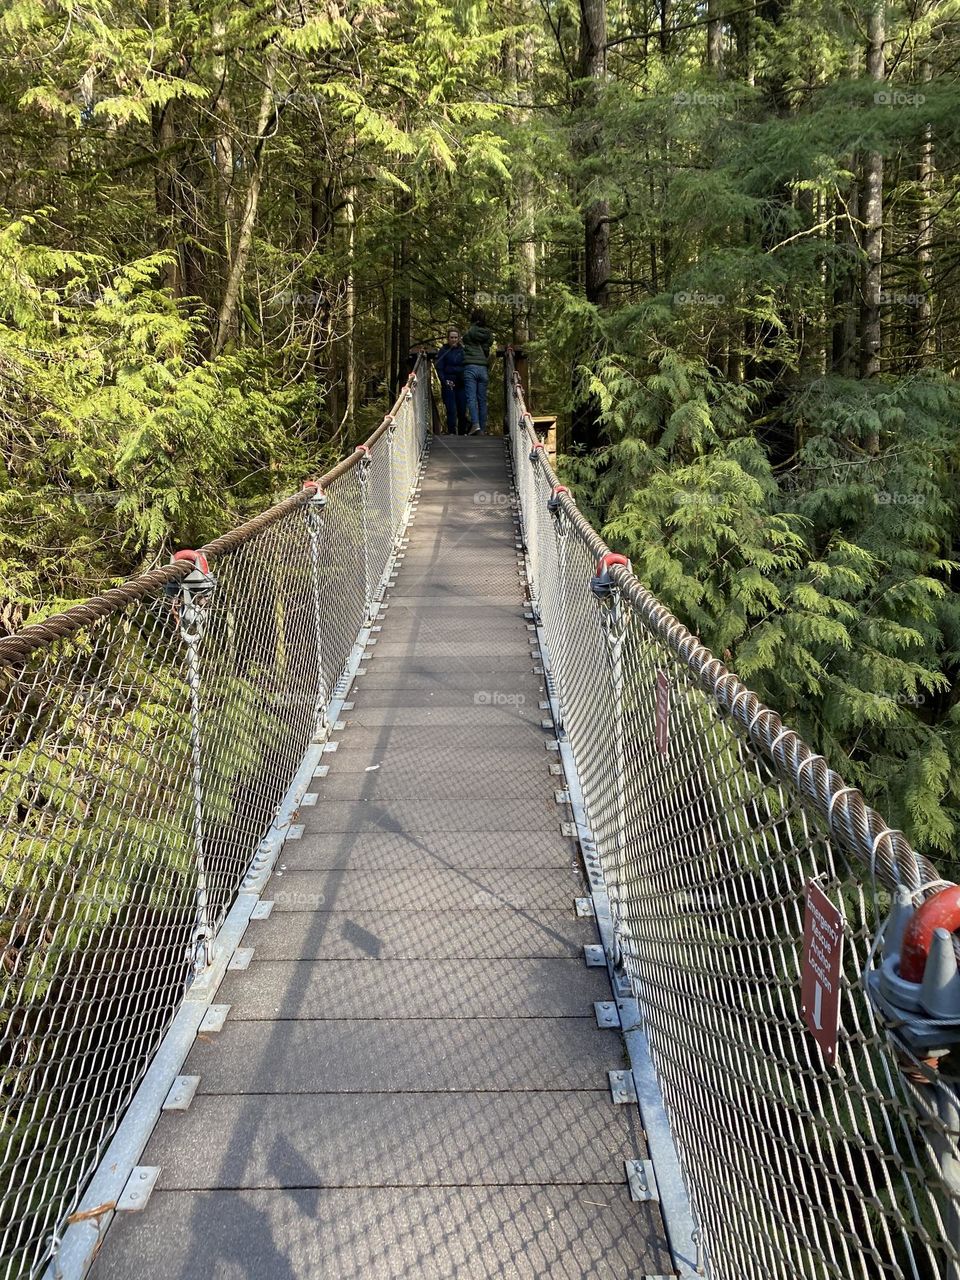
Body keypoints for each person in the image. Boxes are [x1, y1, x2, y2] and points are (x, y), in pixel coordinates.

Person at [461, 307, 493, 435]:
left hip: (470, 368)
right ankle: (483, 428)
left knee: (471, 398)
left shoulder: (470, 331)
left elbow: (465, 338)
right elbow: (487, 347)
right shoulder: (488, 334)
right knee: (482, 399)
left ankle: (475, 425)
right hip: (483, 369)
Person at [433, 327, 468, 435]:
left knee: (462, 410)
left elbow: (467, 366)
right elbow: (439, 368)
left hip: (461, 384)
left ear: (459, 338)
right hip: (449, 383)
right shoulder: (443, 351)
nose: (454, 339)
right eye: (452, 337)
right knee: (451, 409)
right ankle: (452, 432)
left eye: (456, 337)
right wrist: (444, 381)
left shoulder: (463, 351)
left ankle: (463, 434)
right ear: (448, 338)